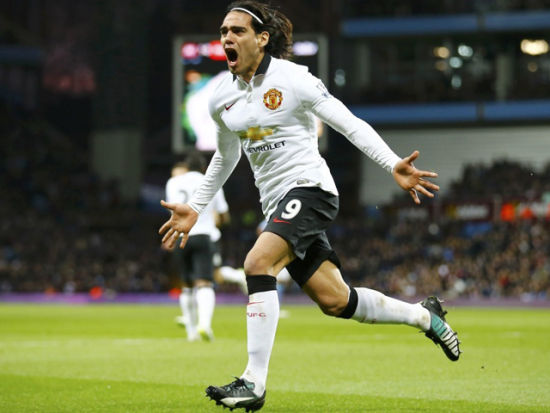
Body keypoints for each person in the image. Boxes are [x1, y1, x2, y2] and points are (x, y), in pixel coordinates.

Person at [159, 1, 461, 410]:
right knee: (337, 300)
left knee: (257, 263)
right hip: (277, 203)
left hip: (310, 190)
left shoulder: (294, 79)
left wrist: (392, 163)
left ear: (262, 39)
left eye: (237, 30)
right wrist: (196, 205)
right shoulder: (221, 97)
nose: (227, 37)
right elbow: (226, 156)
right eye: (224, 31)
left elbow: (347, 123)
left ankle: (253, 382)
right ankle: (425, 316)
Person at [165, 153, 230, 341]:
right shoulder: (211, 181)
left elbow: (172, 210)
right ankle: (205, 325)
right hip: (203, 235)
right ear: (204, 168)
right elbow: (223, 213)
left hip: (181, 235)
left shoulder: (173, 182)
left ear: (186, 167)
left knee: (186, 285)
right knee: (204, 283)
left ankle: (191, 332)